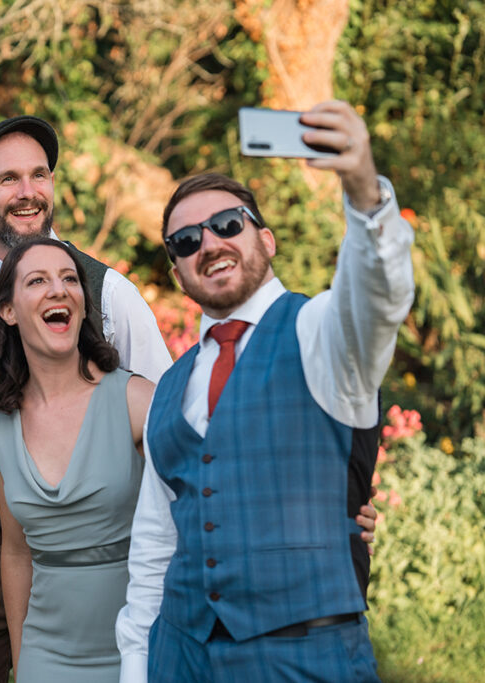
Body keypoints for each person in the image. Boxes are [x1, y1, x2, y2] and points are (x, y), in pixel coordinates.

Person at [116, 100, 414, 682]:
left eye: (228, 224)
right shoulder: (168, 389)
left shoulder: (321, 332)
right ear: (177, 272)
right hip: (180, 657)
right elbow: (154, 546)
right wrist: (138, 668)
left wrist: (362, 190)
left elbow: (377, 297)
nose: (209, 243)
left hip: (304, 658)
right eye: (185, 240)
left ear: (267, 240)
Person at [0, 115, 173, 683]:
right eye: (9, 178)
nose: (27, 192)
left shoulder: (109, 291)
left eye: (39, 175)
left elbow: (171, 428)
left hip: (101, 561)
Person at [0, 238, 155, 682]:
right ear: (8, 310)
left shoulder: (138, 403)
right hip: (45, 654)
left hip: (139, 647)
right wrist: (24, 660)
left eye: (70, 279)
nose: (59, 290)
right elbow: (16, 552)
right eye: (37, 280)